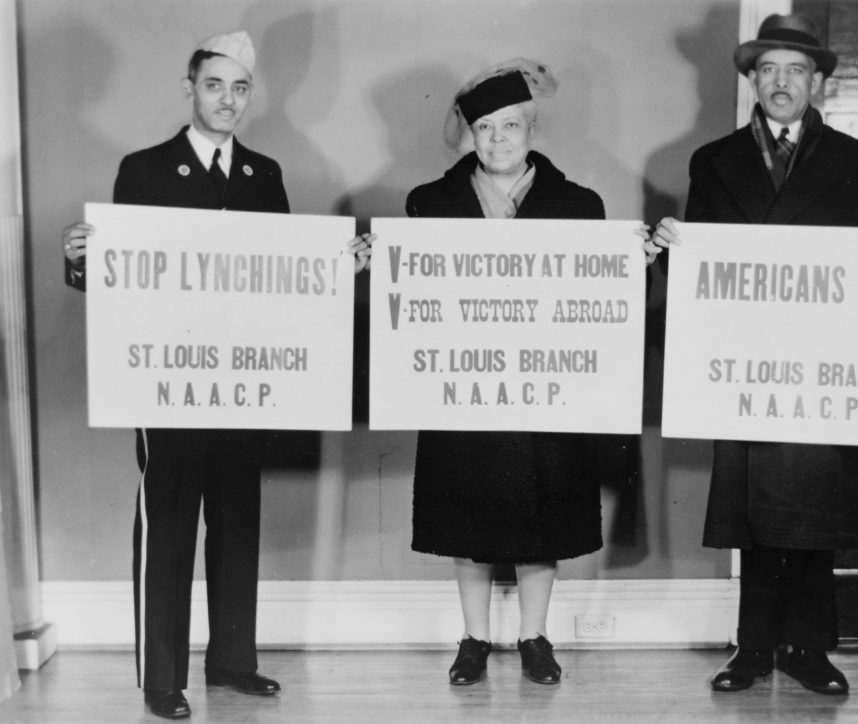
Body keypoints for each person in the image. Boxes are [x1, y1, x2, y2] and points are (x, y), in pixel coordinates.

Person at [644, 14, 858, 696]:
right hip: (747, 365)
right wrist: (674, 250)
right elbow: (701, 279)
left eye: (794, 70)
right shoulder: (713, 162)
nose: (781, 82)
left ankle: (810, 647)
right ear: (753, 82)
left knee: (816, 509)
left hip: (826, 362)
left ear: (816, 80)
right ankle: (755, 647)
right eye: (768, 70)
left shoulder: (856, 160)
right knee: (755, 514)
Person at [61, 31, 370, 719]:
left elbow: (286, 277)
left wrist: (334, 269)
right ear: (189, 88)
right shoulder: (143, 169)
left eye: (239, 89)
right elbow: (119, 276)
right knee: (169, 523)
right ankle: (161, 680)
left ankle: (233, 661)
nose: (227, 100)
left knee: (236, 520)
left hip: (243, 382)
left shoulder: (265, 176)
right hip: (168, 384)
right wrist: (81, 259)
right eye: (213, 86)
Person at [406, 59, 605, 686]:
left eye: (510, 126)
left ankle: (534, 637)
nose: (496, 139)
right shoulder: (430, 202)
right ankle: (473, 639)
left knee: (540, 510)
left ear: (531, 131)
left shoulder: (579, 205)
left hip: (545, 384)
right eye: (484, 127)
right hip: (463, 382)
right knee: (467, 509)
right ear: (470, 133)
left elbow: (598, 297)